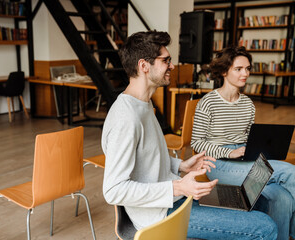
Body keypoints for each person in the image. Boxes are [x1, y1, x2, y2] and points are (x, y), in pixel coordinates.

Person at [102, 31, 277, 239]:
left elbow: (145, 159)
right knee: (266, 227)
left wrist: (180, 166)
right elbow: (113, 190)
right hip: (161, 213)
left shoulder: (145, 104)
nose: (172, 66)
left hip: (176, 197)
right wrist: (177, 186)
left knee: (260, 201)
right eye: (166, 60)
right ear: (144, 66)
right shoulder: (125, 118)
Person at [191, 46, 295, 240]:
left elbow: (248, 137)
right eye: (239, 69)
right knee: (288, 171)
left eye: (247, 69)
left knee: (282, 197)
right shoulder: (207, 102)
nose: (245, 73)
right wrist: (229, 153)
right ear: (224, 71)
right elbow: (197, 142)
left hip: (244, 159)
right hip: (218, 163)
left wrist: (258, 147)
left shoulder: (248, 104)